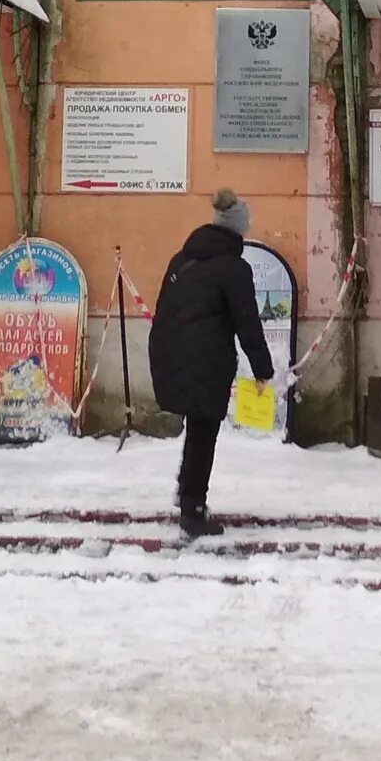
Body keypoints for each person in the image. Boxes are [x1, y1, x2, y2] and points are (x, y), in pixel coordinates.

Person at [148, 189, 274, 539]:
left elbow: (167, 309)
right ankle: (192, 508)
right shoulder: (234, 268)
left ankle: (188, 495)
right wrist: (263, 370)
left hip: (173, 353)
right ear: (238, 229)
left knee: (199, 430)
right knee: (203, 433)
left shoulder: (181, 258)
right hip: (205, 359)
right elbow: (247, 322)